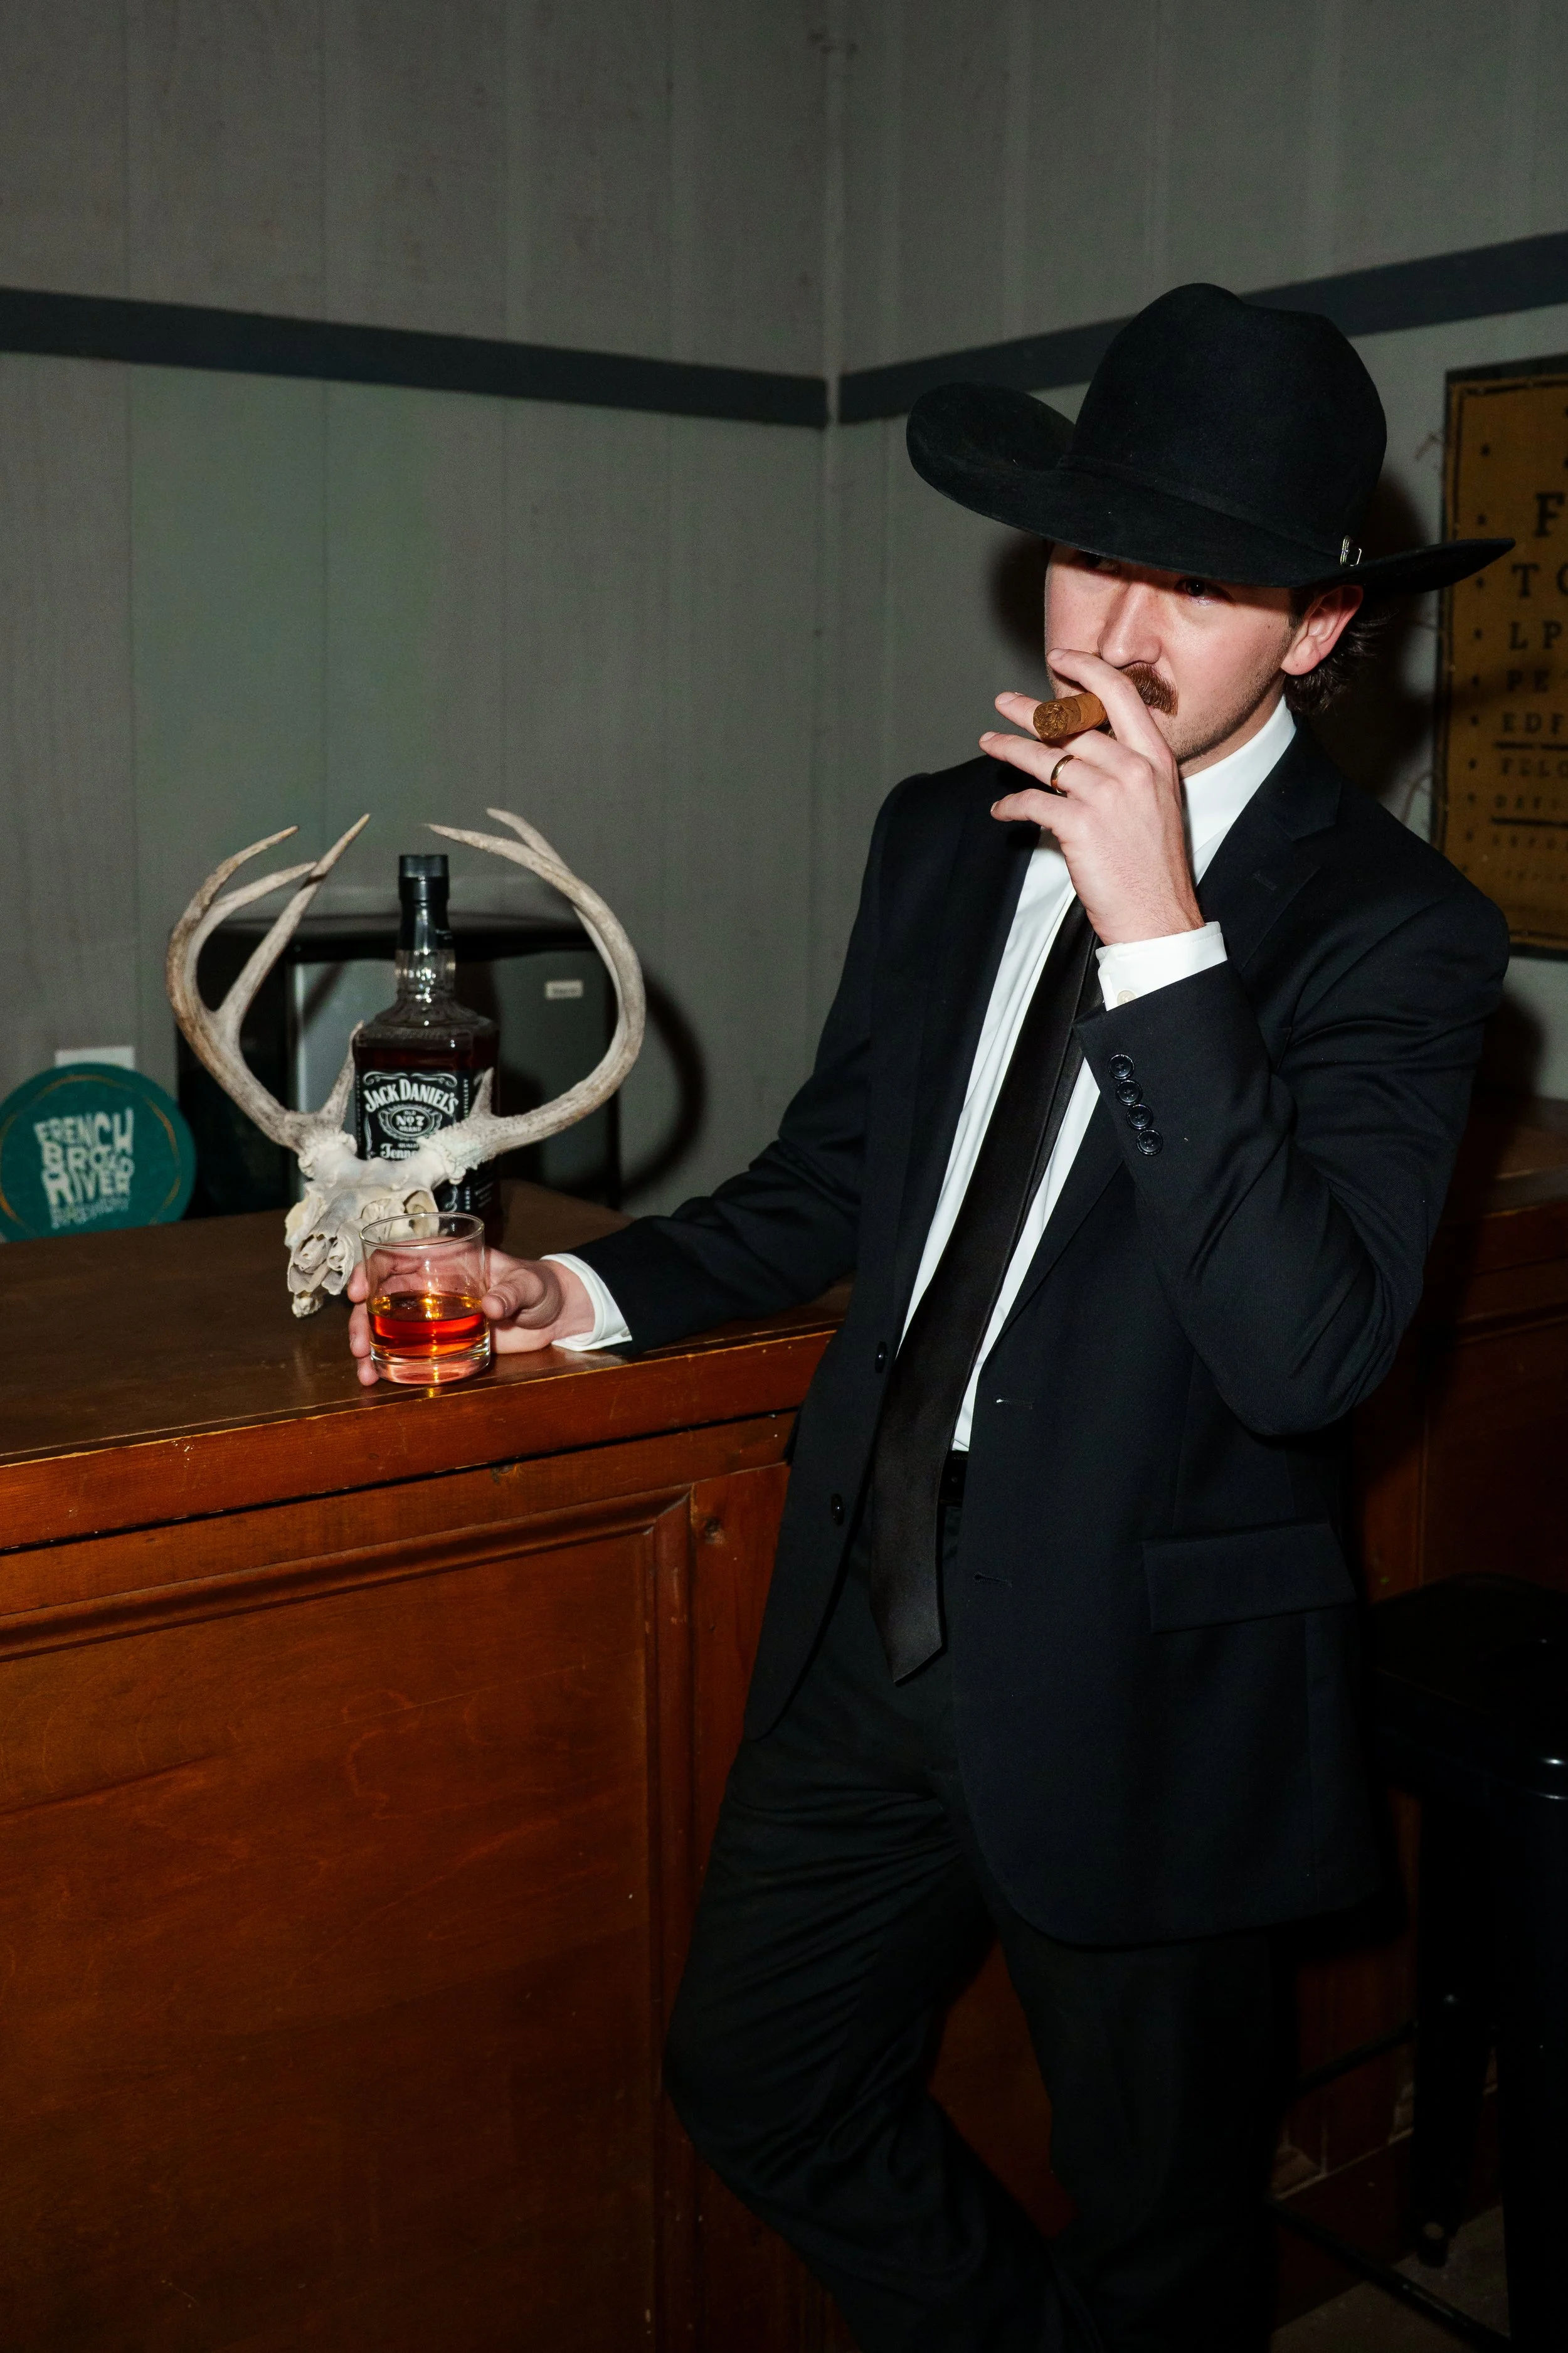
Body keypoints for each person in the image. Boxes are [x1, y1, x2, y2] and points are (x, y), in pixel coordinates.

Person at [349, 283, 1512, 2350]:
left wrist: (1162, 931)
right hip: (870, 1609)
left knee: (1165, 2231)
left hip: (1152, 1679)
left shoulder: (1399, 935)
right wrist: (581, 1279)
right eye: (1091, 556)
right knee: (759, 2074)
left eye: (1202, 582)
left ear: (1318, 630)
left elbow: (1305, 1354)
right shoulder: (935, 836)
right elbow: (828, 1180)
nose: (1114, 636)